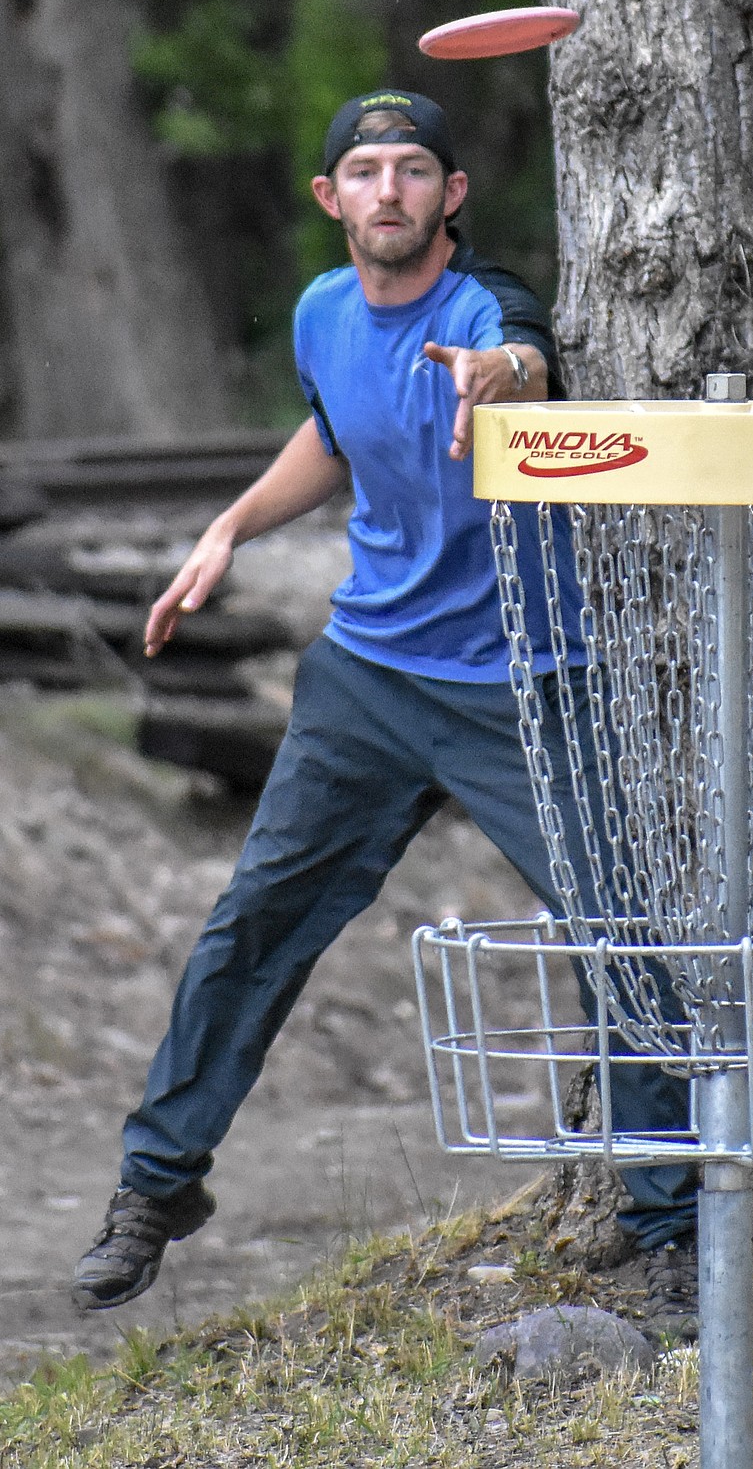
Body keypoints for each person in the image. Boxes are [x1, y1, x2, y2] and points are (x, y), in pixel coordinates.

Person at [70, 89, 698, 1328]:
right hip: (366, 676)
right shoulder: (320, 312)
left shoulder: (483, 308)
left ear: (451, 195)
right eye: (366, 171)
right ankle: (156, 1184)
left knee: (624, 933)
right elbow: (334, 432)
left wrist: (499, 372)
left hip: (528, 679)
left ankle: (670, 1230)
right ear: (332, 199)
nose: (391, 190)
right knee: (255, 919)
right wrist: (229, 528)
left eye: (416, 169)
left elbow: (527, 358)